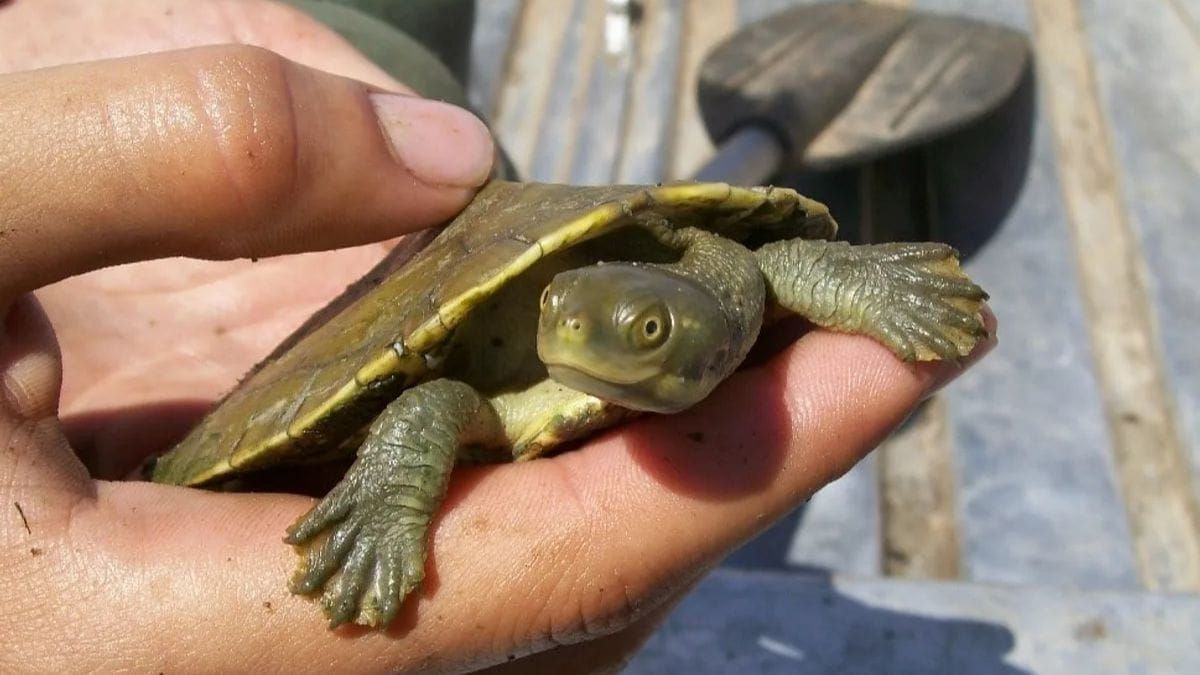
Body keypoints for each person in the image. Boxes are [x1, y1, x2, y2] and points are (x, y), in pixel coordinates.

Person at [0, 1, 994, 672]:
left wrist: (868, 283)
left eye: (644, 333)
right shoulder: (554, 355)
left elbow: (779, 264)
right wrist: (389, 510)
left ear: (694, 332)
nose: (574, 345)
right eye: (564, 320)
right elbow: (434, 398)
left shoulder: (737, 275)